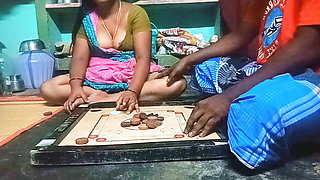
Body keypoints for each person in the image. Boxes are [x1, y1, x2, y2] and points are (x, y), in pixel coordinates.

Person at [157, 0, 320, 169]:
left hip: (307, 75)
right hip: (269, 69)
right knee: (206, 68)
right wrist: (189, 59)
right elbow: (241, 34)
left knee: (252, 113)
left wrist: (228, 97)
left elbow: (307, 47)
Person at [40, 0, 187, 114]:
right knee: (48, 88)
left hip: (134, 73)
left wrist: (132, 91)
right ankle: (97, 95)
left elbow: (143, 58)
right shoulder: (87, 18)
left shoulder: (136, 13)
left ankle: (108, 98)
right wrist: (76, 88)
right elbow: (79, 59)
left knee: (177, 83)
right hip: (99, 75)